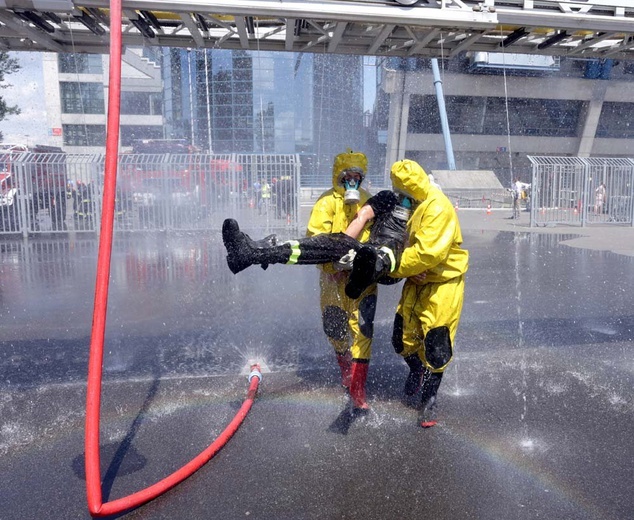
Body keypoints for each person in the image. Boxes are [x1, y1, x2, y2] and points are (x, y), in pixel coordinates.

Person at [224, 150, 381, 411]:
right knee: (335, 327)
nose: (352, 181)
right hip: (332, 279)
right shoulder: (325, 203)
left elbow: (377, 240)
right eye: (347, 176)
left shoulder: (369, 203)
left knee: (363, 331)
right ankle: (345, 371)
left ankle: (358, 389)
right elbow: (316, 242)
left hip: (361, 279)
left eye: (357, 177)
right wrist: (331, 267)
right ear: (338, 177)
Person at [388, 159, 469, 428]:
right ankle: (416, 369)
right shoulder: (411, 204)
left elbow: (426, 253)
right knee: (401, 338)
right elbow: (403, 245)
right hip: (416, 281)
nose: (402, 199)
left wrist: (393, 267)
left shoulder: (438, 207)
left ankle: (429, 398)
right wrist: (408, 270)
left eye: (405, 194)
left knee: (436, 342)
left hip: (442, 284)